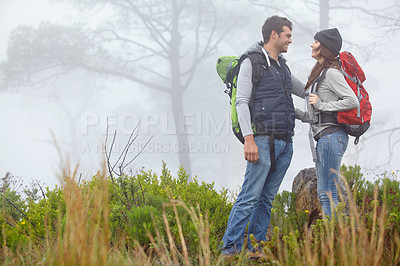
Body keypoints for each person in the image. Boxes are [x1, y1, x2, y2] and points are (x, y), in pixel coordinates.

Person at [220, 15, 305, 255]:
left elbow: (303, 90)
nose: (290, 40)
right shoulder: (252, 62)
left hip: (285, 142)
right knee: (249, 197)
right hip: (261, 141)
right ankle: (229, 250)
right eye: (287, 35)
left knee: (266, 199)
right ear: (274, 34)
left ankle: (255, 248)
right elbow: (242, 102)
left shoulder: (283, 68)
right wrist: (249, 139)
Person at [295, 28, 359, 218]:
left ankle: (335, 240)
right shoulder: (320, 73)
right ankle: (334, 238)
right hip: (326, 137)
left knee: (327, 194)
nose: (312, 45)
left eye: (315, 42)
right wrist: (296, 113)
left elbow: (352, 101)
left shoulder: (331, 73)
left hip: (332, 137)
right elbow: (316, 116)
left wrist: (322, 104)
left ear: (324, 47)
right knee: (325, 194)